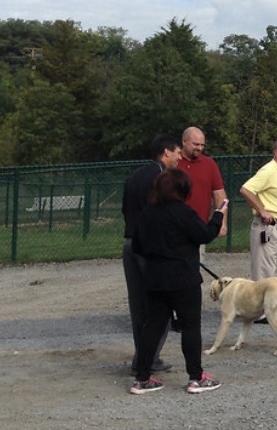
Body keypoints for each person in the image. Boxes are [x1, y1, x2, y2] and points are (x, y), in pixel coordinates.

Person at [130, 167, 227, 394]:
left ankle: (142, 377)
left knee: (152, 326)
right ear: (184, 190)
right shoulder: (183, 213)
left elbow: (137, 246)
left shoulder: (147, 214)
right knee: (190, 326)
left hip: (155, 279)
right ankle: (196, 376)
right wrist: (219, 213)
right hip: (183, 279)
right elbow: (204, 234)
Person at [122, 134, 182, 376]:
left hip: (130, 243)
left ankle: (142, 356)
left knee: (138, 305)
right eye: (177, 152)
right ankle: (149, 358)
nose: (180, 157)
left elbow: (126, 210)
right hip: (151, 248)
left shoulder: (134, 176)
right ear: (166, 152)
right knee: (160, 305)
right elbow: (161, 215)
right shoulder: (162, 179)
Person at [239, 138, 277, 280]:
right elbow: (246, 190)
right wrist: (262, 210)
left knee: (276, 275)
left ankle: (274, 302)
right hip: (268, 227)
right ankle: (261, 302)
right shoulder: (269, 171)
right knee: (264, 275)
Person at [176, 126, 228, 261]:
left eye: (202, 145)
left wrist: (222, 221)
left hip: (198, 227)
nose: (199, 148)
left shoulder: (209, 164)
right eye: (195, 144)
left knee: (195, 266)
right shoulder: (174, 162)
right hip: (175, 226)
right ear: (184, 141)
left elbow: (219, 194)